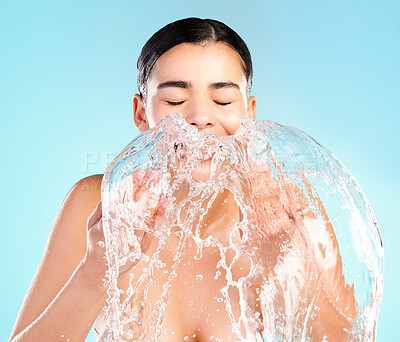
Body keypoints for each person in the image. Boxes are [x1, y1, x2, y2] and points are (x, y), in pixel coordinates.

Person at [9, 17, 355, 342]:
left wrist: (291, 263)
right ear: (141, 113)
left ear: (249, 113)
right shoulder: (99, 205)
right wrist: (94, 272)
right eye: (176, 99)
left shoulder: (284, 209)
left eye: (222, 99)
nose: (200, 117)